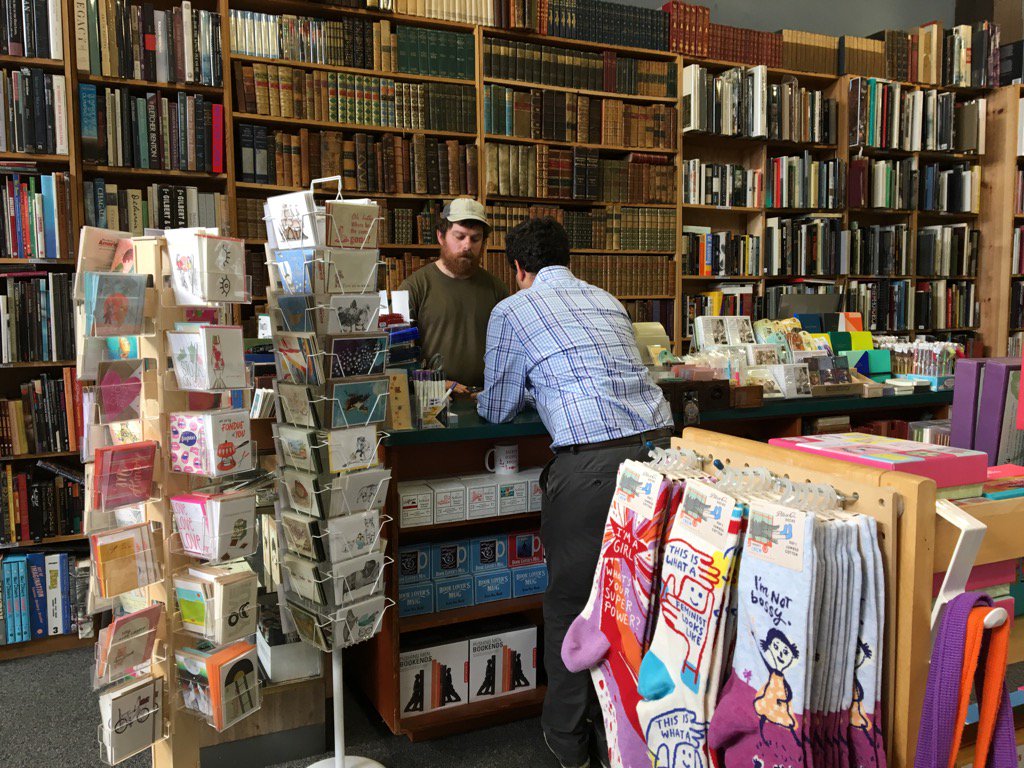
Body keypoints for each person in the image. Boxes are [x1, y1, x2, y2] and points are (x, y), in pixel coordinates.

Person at [477, 217, 673, 768]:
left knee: (570, 604)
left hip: (590, 468)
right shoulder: (608, 300)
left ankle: (568, 741)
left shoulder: (512, 310)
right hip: (660, 459)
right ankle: (637, 735)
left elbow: (496, 408)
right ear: (569, 258)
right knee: (638, 602)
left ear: (518, 269)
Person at [398, 198, 509, 390]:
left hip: (484, 399)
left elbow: (508, 353)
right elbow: (398, 359)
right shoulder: (413, 287)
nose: (467, 246)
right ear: (441, 236)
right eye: (459, 236)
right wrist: (437, 384)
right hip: (432, 400)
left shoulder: (497, 289)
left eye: (475, 239)